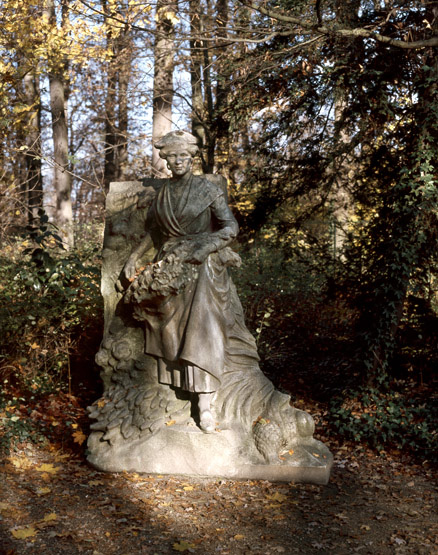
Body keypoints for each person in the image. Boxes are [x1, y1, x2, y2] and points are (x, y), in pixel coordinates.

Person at [122, 131, 239, 433]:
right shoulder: (161, 195)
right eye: (171, 157)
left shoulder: (206, 190)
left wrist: (206, 247)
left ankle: (206, 404)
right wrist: (134, 257)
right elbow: (154, 234)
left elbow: (230, 227)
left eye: (182, 156)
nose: (177, 162)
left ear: (191, 158)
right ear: (166, 161)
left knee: (202, 326)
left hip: (200, 264)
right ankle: (176, 394)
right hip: (169, 265)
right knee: (170, 330)